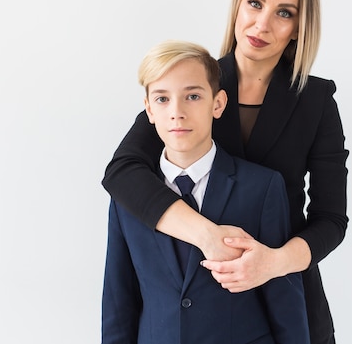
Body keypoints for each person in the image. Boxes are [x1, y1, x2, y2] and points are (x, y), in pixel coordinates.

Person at [103, 0, 348, 344]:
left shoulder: (316, 100)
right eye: (255, 3)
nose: (262, 24)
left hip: (284, 297)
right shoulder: (192, 83)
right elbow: (122, 173)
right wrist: (208, 236)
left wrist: (273, 262)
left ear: (299, 28)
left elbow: (331, 219)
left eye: (283, 13)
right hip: (188, 300)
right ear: (238, 5)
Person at [102, 40, 310, 344]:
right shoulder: (127, 196)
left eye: (193, 96)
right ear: (148, 109)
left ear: (218, 104)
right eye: (162, 99)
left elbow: (285, 303)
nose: (177, 112)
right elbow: (119, 301)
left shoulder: (262, 187)